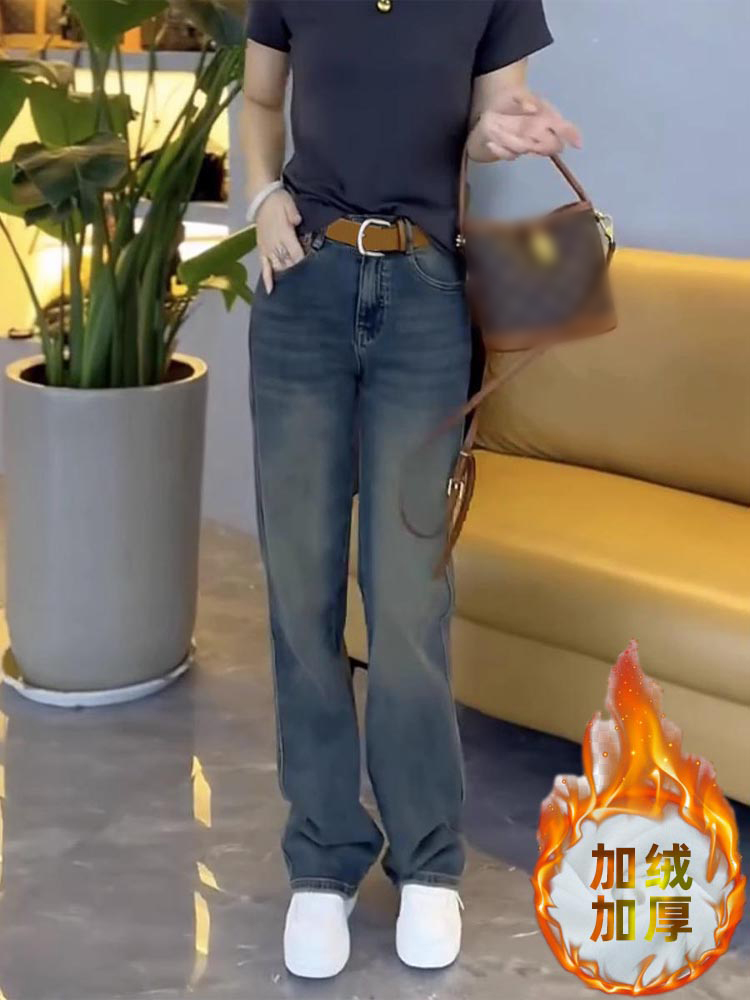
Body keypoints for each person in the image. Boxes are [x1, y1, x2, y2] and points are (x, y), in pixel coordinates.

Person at [242, 0, 581, 979]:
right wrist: (261, 197)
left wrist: (504, 128)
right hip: (303, 287)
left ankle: (428, 857)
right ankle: (322, 857)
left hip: (425, 299)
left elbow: (484, 121)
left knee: (407, 596)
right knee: (300, 587)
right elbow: (259, 98)